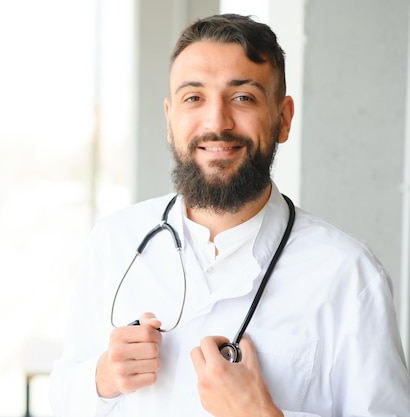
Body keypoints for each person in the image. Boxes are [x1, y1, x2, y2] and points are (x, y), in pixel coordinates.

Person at [49, 13, 410, 417]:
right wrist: (103, 379)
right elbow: (62, 397)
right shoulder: (115, 241)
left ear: (283, 118)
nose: (217, 122)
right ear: (170, 120)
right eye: (193, 98)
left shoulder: (349, 275)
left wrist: (262, 414)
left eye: (242, 97)